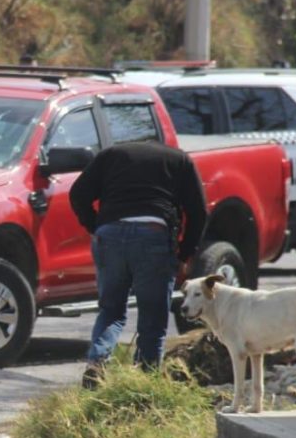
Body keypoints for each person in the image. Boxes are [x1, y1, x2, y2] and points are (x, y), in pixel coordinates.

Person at [69, 141, 207, 389]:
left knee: (111, 311)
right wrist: (184, 254)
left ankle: (97, 363)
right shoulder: (179, 160)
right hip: (153, 235)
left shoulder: (111, 154)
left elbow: (77, 193)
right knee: (153, 318)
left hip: (109, 234)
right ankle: (144, 383)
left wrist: (97, 227)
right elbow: (198, 212)